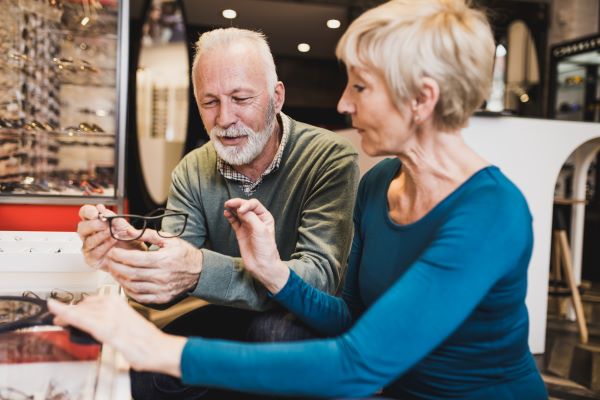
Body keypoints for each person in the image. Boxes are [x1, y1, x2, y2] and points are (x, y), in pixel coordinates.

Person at [51, 1, 548, 398]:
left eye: (359, 85)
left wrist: (161, 348)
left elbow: (356, 362)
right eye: (210, 101)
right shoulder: (381, 186)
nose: (343, 104)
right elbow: (346, 314)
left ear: (421, 99)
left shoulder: (490, 211)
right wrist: (272, 271)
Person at [76, 27, 358, 398]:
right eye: (209, 102)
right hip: (233, 313)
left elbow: (319, 277)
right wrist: (132, 261)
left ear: (277, 97)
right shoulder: (192, 169)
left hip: (304, 320)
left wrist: (199, 269)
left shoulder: (330, 159)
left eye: (241, 98)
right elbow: (170, 280)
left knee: (272, 335)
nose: (225, 118)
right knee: (147, 372)